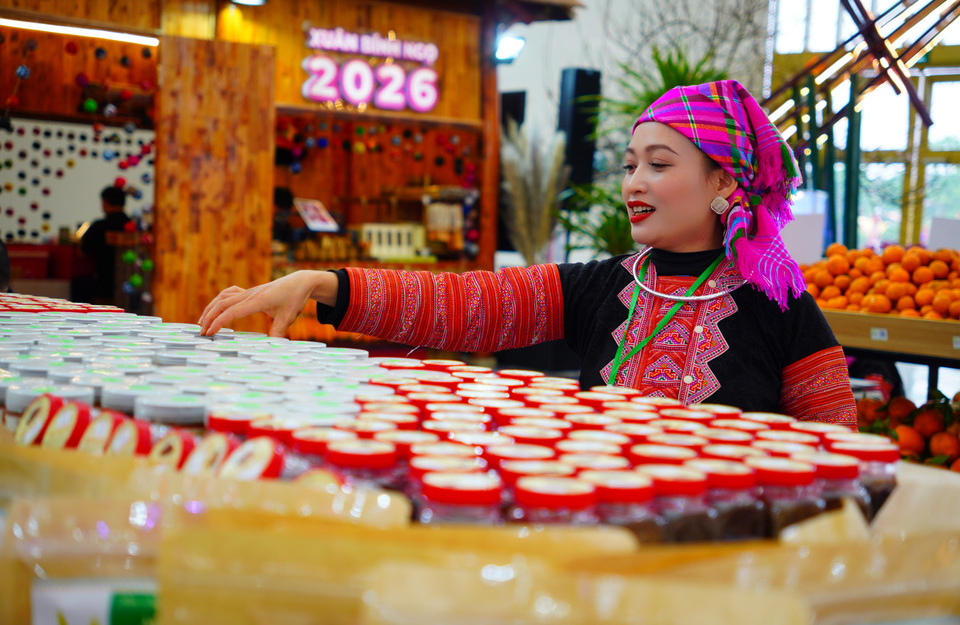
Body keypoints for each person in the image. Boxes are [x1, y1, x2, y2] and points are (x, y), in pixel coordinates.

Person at [199, 80, 856, 427]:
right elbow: (466, 306)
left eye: (659, 164)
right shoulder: (599, 288)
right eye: (630, 165)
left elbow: (836, 449)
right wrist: (323, 283)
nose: (633, 184)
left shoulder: (781, 303)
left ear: (724, 181)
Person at [81, 186, 131, 302]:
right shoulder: (132, 227)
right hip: (129, 286)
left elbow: (83, 253)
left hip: (104, 285)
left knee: (78, 284)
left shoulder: (99, 226)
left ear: (105, 202)